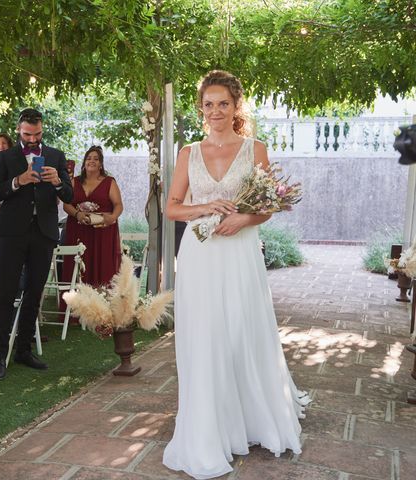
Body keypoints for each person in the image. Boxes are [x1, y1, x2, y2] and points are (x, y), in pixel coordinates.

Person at [162, 70, 309, 479]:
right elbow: (172, 208)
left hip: (240, 251)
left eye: (223, 103)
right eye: (208, 104)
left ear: (236, 105)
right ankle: (209, 426)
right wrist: (207, 209)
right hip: (201, 253)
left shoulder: (254, 149)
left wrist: (243, 219)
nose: (215, 111)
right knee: (206, 335)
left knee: (241, 330)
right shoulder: (188, 153)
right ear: (201, 108)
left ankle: (252, 418)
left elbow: (268, 206)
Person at [0, 108, 72, 380]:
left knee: (34, 294)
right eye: (27, 134)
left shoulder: (57, 156)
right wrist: (17, 181)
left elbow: (70, 194)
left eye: (37, 134)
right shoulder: (6, 157)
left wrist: (58, 182)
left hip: (44, 233)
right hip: (13, 233)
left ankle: (23, 349)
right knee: (6, 294)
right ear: (18, 131)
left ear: (42, 130)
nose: (32, 139)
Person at [63, 146, 122, 287]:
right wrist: (77, 214)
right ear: (84, 163)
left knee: (102, 264)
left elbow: (118, 204)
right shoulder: (74, 182)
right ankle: (74, 302)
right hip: (77, 230)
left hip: (102, 231)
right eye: (89, 158)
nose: (92, 161)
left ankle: (101, 303)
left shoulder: (109, 182)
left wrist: (112, 217)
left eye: (96, 159)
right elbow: (66, 205)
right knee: (77, 264)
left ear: (101, 164)